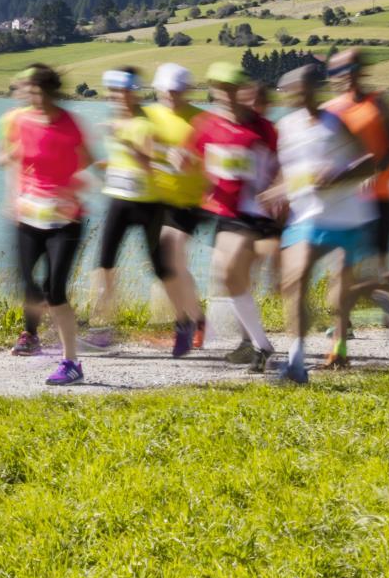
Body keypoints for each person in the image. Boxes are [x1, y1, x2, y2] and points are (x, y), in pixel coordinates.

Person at [268, 64, 389, 383]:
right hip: (307, 217)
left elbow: (370, 162)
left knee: (342, 297)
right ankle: (296, 363)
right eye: (292, 92)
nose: (298, 97)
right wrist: (275, 193)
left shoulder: (336, 122)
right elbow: (288, 171)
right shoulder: (286, 127)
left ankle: (387, 307)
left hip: (349, 218)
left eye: (304, 90)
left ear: (314, 91)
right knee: (295, 281)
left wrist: (337, 175)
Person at [87, 67, 202, 356]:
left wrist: (126, 141)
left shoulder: (145, 122)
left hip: (149, 204)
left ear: (133, 92)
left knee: (162, 271)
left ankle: (184, 323)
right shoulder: (116, 119)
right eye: (112, 92)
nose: (117, 97)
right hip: (117, 200)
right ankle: (102, 328)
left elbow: (150, 163)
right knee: (104, 264)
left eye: (122, 92)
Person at [3, 64, 93, 384]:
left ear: (51, 92)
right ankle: (33, 335)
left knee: (56, 291)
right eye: (31, 93)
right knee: (27, 283)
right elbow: (17, 160)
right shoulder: (22, 121)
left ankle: (72, 363)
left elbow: (87, 160)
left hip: (66, 220)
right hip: (29, 215)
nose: (35, 99)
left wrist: (69, 188)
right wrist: (13, 197)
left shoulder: (70, 124)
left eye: (40, 93)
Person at [189, 61, 280, 371]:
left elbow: (281, 166)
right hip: (227, 212)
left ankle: (261, 345)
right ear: (213, 91)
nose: (226, 95)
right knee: (228, 277)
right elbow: (198, 160)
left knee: (236, 274)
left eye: (231, 89)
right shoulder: (208, 125)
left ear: (240, 90)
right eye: (220, 89)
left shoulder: (262, 127)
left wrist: (278, 190)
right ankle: (261, 346)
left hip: (258, 212)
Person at [323, 49, 389, 298]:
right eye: (339, 70)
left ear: (361, 71)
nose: (347, 75)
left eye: (352, 68)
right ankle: (342, 323)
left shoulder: (378, 103)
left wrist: (378, 170)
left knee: (381, 272)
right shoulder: (328, 110)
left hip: (380, 197)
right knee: (341, 266)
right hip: (344, 200)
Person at [145, 63, 209, 353]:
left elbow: (219, 160)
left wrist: (193, 161)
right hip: (154, 200)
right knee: (168, 267)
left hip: (190, 201)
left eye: (178, 90)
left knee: (173, 253)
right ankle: (195, 317)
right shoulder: (147, 115)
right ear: (157, 89)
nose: (171, 95)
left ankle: (185, 323)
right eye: (166, 90)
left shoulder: (202, 120)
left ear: (188, 90)